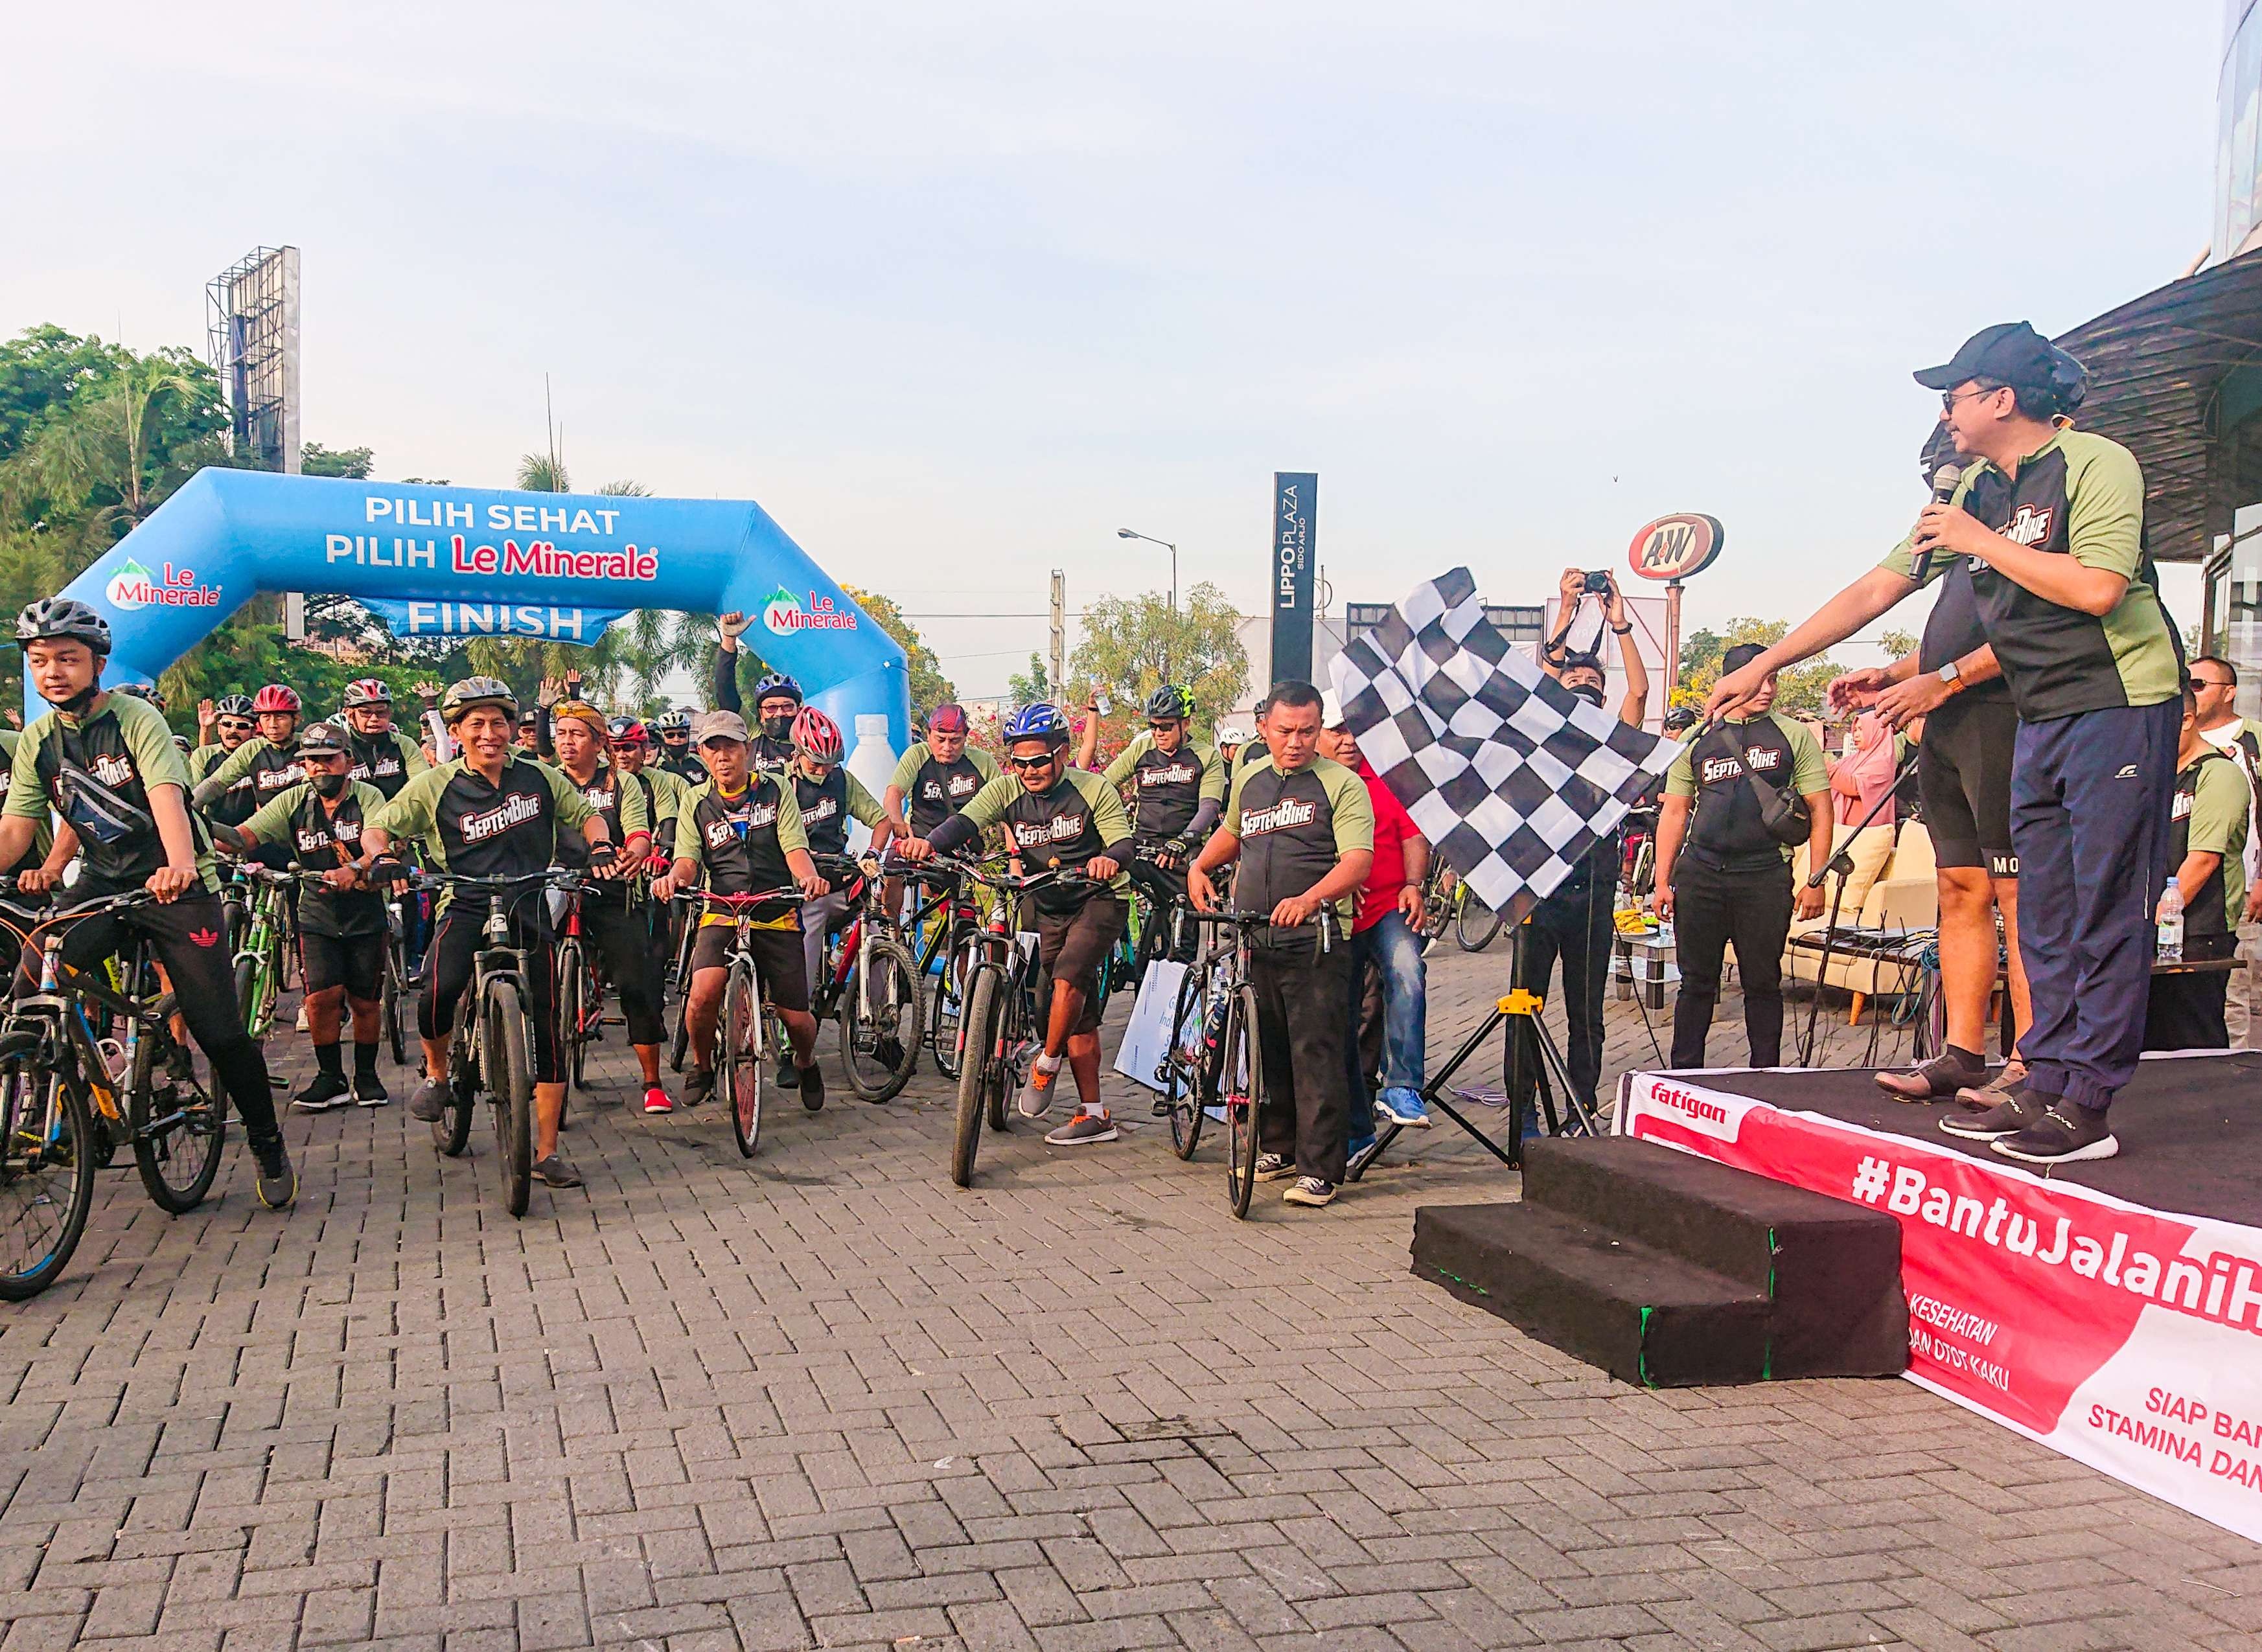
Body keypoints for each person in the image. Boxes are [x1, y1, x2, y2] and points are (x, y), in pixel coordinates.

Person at [0, 599, 294, 1208]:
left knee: (217, 1028)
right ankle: (67, 1096)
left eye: (67, 658)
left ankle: (267, 1142)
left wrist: (181, 864)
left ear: (97, 663)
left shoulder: (136, 718)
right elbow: (14, 833)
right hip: (104, 882)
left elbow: (166, 794)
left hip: (175, 884)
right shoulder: (37, 741)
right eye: (39, 661)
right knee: (34, 980)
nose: (53, 671)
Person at [368, 676, 617, 1191]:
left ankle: (546, 1152)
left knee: (550, 1025)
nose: (490, 733)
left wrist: (599, 848)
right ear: (456, 731)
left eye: (498, 722)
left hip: (528, 902)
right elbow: (379, 827)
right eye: (476, 724)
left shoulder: (541, 777)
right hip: (463, 900)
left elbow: (588, 817)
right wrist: (384, 856)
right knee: (437, 989)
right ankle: (438, 1072)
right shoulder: (435, 784)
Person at [897, 703, 1133, 1145]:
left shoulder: (1093, 789)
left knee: (1067, 979)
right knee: (1066, 1011)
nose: (1029, 770)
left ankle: (1044, 1066)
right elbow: (964, 821)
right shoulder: (1005, 791)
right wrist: (926, 845)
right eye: (1019, 762)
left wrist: (1107, 859)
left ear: (1061, 753)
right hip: (1047, 901)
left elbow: (1122, 841)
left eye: (1039, 760)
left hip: (1099, 898)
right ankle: (1095, 1114)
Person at [1189, 682, 1374, 1208]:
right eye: (1285, 731)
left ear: (1319, 731)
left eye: (1307, 731)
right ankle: (1277, 1146)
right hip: (1253, 933)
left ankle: (1320, 1169)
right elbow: (1232, 833)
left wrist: (1313, 898)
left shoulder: (1341, 784)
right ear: (1263, 728)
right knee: (1265, 1046)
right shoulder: (1248, 777)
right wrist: (1200, 865)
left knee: (1314, 1051)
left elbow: (1357, 860)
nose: (1295, 742)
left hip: (1315, 939)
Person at [1509, 569, 1652, 1120]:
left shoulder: (1612, 743)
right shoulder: (1540, 736)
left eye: (1594, 681)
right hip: (1536, 886)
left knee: (1585, 1009)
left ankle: (1581, 1102)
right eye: (1575, 681)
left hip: (1591, 887)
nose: (1584, 685)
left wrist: (1619, 624)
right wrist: (1566, 613)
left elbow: (1637, 691)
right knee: (1524, 1004)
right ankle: (1522, 1107)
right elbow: (1537, 686)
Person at [1657, 643, 1832, 1068]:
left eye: (1774, 679)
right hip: (1700, 873)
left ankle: (1764, 1075)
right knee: (1697, 983)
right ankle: (1684, 1076)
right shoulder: (1695, 739)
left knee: (1762, 982)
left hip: (1764, 875)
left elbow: (1820, 809)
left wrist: (1816, 880)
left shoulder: (1792, 735)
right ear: (1732, 683)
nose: (1768, 689)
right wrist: (1662, 882)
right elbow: (1675, 811)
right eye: (1760, 680)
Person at [649, 710, 831, 1111]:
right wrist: (673, 879)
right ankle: (701, 1065)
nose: (723, 757)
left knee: (797, 1019)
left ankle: (806, 1061)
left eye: (731, 746)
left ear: (747, 750)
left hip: (775, 908)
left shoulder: (777, 790)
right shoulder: (695, 800)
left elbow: (795, 848)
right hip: (722, 910)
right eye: (713, 749)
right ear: (702, 754)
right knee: (701, 996)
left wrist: (808, 878)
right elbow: (687, 859)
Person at [219, 721, 393, 1110]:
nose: (319, 768)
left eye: (328, 760)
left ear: (347, 761)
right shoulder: (292, 801)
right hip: (315, 911)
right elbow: (245, 836)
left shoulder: (369, 797)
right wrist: (191, 825)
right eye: (312, 761)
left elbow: (380, 842)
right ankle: (330, 1077)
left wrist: (356, 869)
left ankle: (367, 1076)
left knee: (364, 1000)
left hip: (365, 910)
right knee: (320, 999)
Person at [1315, 692, 1429, 1145]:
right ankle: (1352, 1126)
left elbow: (1413, 834)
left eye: (1353, 729)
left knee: (1408, 972)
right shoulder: (1306, 785)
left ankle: (1402, 1085)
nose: (1347, 740)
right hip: (1331, 914)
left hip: (1387, 906)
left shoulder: (1388, 778)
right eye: (1337, 730)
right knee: (1337, 1018)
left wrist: (1414, 884)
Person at [547, 700, 669, 1114]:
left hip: (611, 885)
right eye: (561, 734)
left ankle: (651, 1080)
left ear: (599, 743)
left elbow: (638, 831)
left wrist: (636, 852)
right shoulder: (544, 780)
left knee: (637, 980)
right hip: (556, 882)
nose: (567, 743)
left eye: (577, 735)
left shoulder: (622, 783)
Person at [1074, 684, 1227, 958]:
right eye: (1153, 725)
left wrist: (1185, 840)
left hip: (1179, 851)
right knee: (1094, 885)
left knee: (1181, 937)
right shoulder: (1142, 749)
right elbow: (1103, 785)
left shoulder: (1206, 756)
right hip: (1140, 847)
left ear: (1186, 723)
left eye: (1166, 726)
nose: (1158, 733)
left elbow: (1209, 806)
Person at [783, 706, 892, 1083]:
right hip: (803, 887)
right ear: (796, 754)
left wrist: (873, 854)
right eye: (816, 764)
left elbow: (881, 820)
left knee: (876, 938)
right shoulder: (780, 784)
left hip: (841, 877)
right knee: (806, 943)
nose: (823, 771)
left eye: (829, 764)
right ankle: (791, 1042)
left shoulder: (842, 781)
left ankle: (880, 1028)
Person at [2146, 681, 2249, 1051]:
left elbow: (2204, 859)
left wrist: (2154, 919)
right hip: (2152, 933)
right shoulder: (2155, 776)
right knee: (2151, 1037)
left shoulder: (2218, 774)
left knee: (2190, 1038)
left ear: (2186, 719)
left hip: (2199, 933)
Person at [2187, 656, 2262, 1042]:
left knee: (2236, 991)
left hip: (2239, 884)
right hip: (2182, 885)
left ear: (2229, 692)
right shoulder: (2173, 739)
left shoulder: (2252, 740)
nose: (2191, 690)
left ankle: (2234, 1078)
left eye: (2200, 684)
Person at [190, 683, 308, 832]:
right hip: (265, 834)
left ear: (296, 720)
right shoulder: (251, 749)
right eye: (266, 717)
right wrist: (188, 808)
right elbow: (216, 783)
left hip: (306, 830)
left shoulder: (307, 745)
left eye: (280, 717)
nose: (272, 725)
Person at [711, 614, 803, 773]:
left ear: (799, 709)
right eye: (771, 708)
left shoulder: (809, 744)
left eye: (787, 706)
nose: (779, 713)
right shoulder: (754, 732)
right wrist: (729, 640)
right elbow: (725, 692)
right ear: (760, 713)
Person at [339, 678, 430, 800]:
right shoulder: (339, 747)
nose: (374, 718)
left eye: (381, 712)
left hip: (397, 813)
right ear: (350, 715)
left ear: (389, 714)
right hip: (352, 816)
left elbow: (422, 785)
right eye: (366, 713)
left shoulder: (405, 744)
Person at [651, 708, 708, 784]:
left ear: (688, 736)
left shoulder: (702, 761)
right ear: (662, 738)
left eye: (682, 735)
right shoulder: (657, 765)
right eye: (670, 735)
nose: (676, 739)